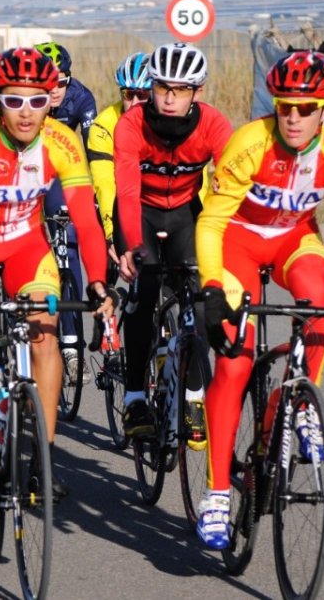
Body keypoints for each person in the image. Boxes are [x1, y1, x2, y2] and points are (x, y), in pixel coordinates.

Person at [192, 50, 324, 549]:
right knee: (235, 363)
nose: (292, 116)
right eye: (285, 104)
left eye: (305, 108)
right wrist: (212, 288)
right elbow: (211, 221)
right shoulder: (250, 142)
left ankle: (296, 405)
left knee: (317, 297)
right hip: (237, 243)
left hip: (291, 239)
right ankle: (217, 493)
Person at [0, 47, 116, 514]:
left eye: (37, 101)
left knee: (44, 340)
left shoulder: (62, 142)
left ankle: (42, 455)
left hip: (25, 248)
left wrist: (98, 281)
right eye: (13, 101)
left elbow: (86, 220)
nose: (26, 113)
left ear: (50, 101)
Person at [113, 42, 232, 442]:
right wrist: (130, 245)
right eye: (162, 87)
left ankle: (195, 395)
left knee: (199, 300)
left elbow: (229, 189)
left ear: (197, 93)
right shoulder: (131, 124)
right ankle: (133, 397)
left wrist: (225, 242)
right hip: (140, 212)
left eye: (179, 90)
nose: (168, 97)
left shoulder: (214, 125)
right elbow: (127, 193)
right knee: (144, 291)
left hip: (185, 213)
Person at [33, 41, 98, 382]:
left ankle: (72, 348)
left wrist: (95, 195)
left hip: (61, 171)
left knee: (68, 244)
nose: (56, 90)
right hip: (27, 172)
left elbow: (92, 153)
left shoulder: (81, 97)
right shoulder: (27, 99)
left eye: (63, 81)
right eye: (50, 82)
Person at [86, 51, 152, 253]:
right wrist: (110, 233)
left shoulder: (171, 121)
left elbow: (197, 184)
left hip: (156, 199)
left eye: (142, 95)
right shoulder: (103, 126)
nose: (134, 103)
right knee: (103, 257)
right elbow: (105, 183)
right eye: (128, 95)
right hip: (117, 195)